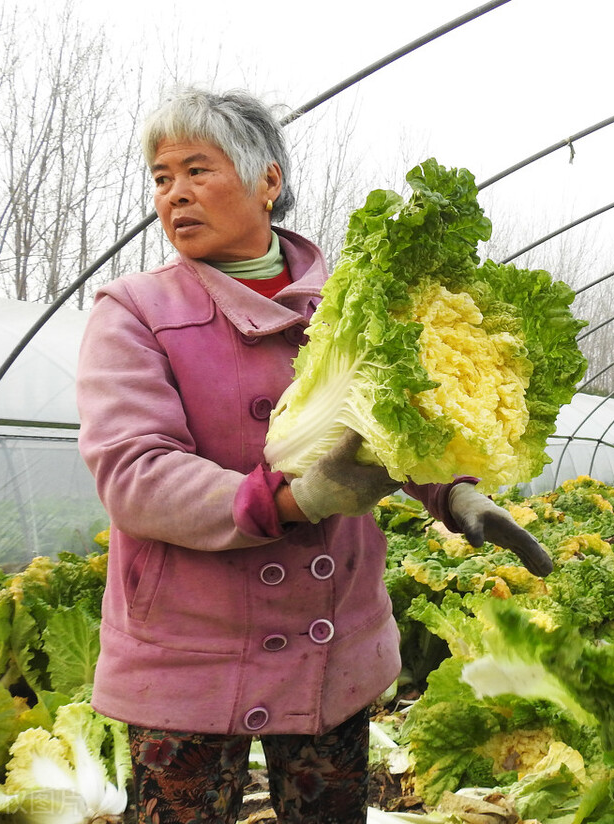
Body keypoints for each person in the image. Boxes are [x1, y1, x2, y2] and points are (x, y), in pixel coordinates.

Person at [76, 87, 552, 824]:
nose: (175, 195)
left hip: (330, 636)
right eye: (161, 177)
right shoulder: (134, 310)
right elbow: (135, 475)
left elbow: (400, 425)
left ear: (268, 179)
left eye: (197, 170)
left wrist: (453, 492)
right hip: (189, 641)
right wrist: (291, 501)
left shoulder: (352, 301)